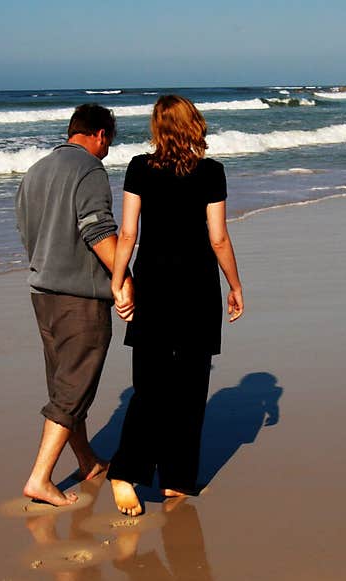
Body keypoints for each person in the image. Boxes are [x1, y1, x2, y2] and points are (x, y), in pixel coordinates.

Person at [107, 95, 244, 516]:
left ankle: (147, 474)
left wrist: (118, 281)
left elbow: (127, 233)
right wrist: (235, 286)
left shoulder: (138, 167)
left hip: (153, 284)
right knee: (189, 387)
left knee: (150, 384)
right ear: (195, 125)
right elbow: (218, 237)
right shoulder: (211, 172)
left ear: (157, 128)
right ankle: (161, 477)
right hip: (198, 287)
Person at [15, 104, 134, 507]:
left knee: (65, 383)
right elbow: (98, 228)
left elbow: (25, 229)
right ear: (100, 134)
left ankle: (86, 462)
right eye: (109, 142)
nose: (108, 151)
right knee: (73, 388)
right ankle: (40, 478)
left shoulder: (35, 171)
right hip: (79, 298)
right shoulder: (89, 169)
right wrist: (124, 278)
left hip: (42, 293)